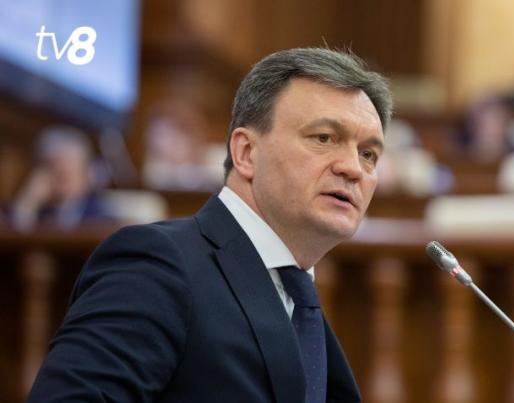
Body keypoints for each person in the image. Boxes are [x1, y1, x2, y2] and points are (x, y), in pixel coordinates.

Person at [27, 48, 393, 403]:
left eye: (368, 154)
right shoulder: (158, 263)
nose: (353, 168)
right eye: (324, 138)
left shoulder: (300, 303)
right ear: (246, 153)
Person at [8, 126, 114, 232]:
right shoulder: (35, 209)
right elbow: (13, 235)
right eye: (58, 172)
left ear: (87, 173)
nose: (65, 180)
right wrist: (28, 203)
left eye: (72, 171)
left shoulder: (98, 213)